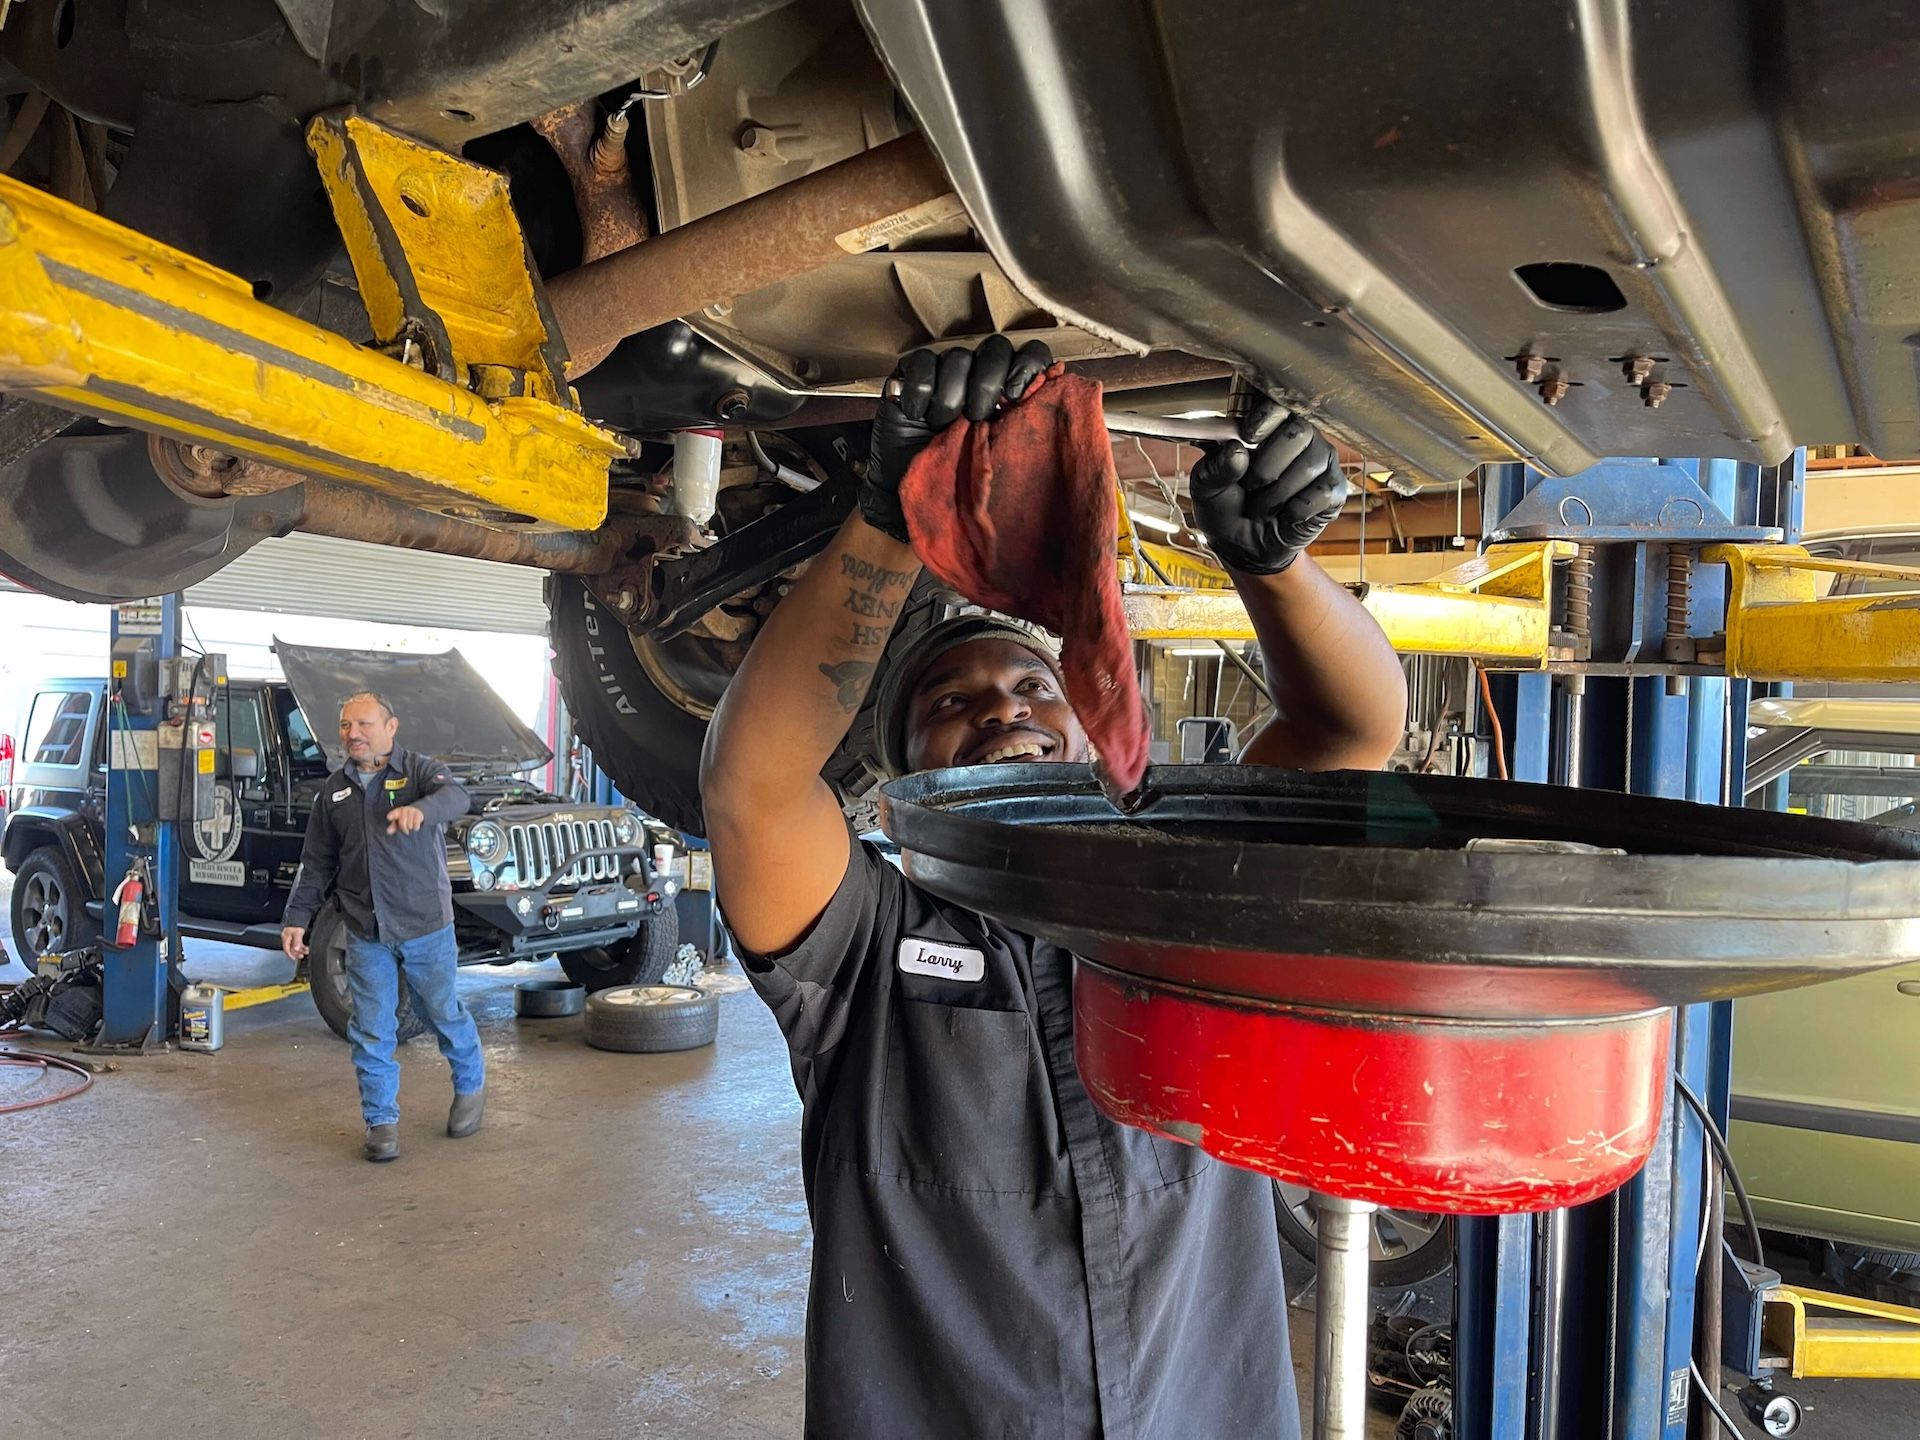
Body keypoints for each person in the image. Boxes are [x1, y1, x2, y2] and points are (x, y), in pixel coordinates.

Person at [701, 335, 1408, 1438]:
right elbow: (750, 789)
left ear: (1090, 729)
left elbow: (1350, 727)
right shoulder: (860, 951)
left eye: (1035, 683)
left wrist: (1273, 565)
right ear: (899, 779)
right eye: (949, 703)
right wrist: (892, 517)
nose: (1001, 708)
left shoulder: (1182, 899)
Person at [281, 691, 486, 1162]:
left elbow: (457, 796)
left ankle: (471, 1086)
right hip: (365, 927)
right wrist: (296, 920)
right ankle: (381, 1123)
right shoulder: (333, 792)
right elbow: (315, 864)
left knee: (441, 1012)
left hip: (424, 924)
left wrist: (422, 810)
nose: (354, 733)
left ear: (390, 728)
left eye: (365, 724)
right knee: (372, 1029)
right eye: (346, 725)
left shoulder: (419, 772)